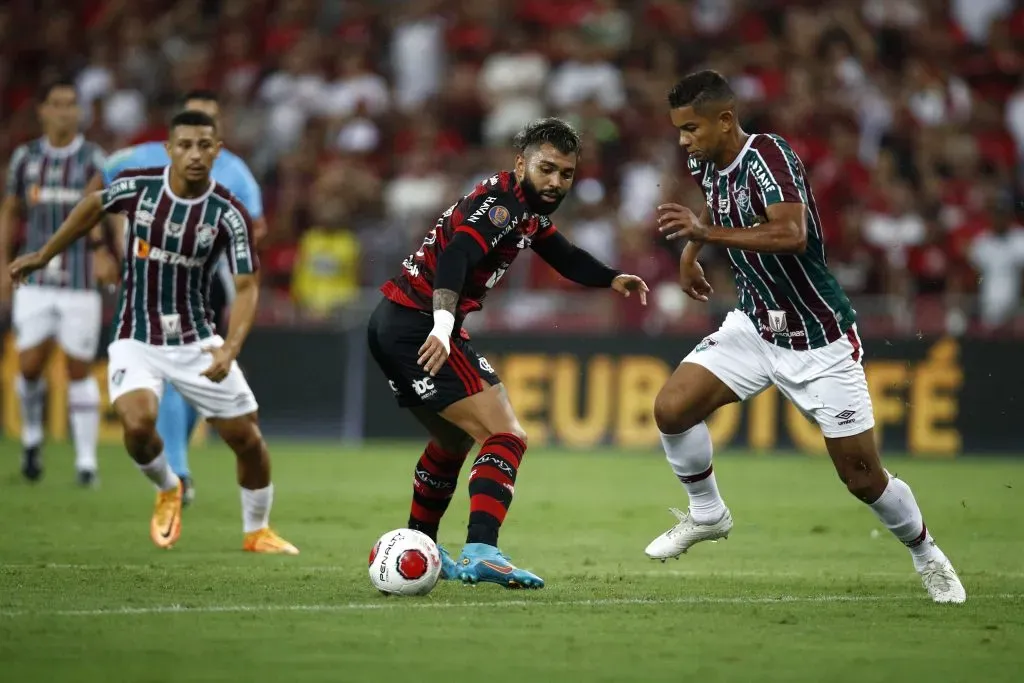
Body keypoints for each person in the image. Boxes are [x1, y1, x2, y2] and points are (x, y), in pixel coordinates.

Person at [646, 70, 965, 603]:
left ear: (726, 120)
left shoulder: (769, 156)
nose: (683, 140)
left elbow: (792, 235)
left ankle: (926, 553)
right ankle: (708, 514)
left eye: (691, 128)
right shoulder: (704, 158)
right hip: (753, 326)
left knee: (863, 478)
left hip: (818, 339)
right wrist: (689, 255)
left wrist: (704, 235)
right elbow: (713, 201)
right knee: (671, 408)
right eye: (679, 129)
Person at [368, 118, 649, 588]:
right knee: (507, 435)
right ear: (521, 163)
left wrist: (611, 277)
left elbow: (564, 256)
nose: (556, 181)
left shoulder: (524, 209)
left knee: (453, 441)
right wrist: (441, 327)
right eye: (546, 169)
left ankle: (421, 544)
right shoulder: (501, 205)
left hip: (394, 321)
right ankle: (482, 549)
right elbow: (456, 256)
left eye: (565, 173)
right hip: (419, 324)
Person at [8, 110, 297, 555]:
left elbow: (246, 287)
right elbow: (92, 204)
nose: (195, 154)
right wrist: (44, 254)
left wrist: (230, 348)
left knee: (248, 439)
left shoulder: (228, 213)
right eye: (185, 145)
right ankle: (168, 487)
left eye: (204, 145)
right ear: (170, 149)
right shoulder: (139, 188)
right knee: (138, 425)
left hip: (198, 342)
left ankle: (257, 530)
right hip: (136, 337)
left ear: (217, 151)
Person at [101, 89, 267, 506]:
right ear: (174, 137)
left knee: (196, 376)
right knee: (169, 376)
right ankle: (177, 470)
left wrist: (222, 242)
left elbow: (256, 225)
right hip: (147, 275)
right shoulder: (140, 158)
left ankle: (179, 470)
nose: (197, 145)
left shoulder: (235, 172)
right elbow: (99, 184)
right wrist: (101, 248)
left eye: (210, 123)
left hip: (204, 279)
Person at [0, 78, 117, 486]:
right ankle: (32, 439)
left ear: (79, 111)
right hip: (33, 279)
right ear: (43, 111)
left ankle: (86, 464)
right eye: (57, 104)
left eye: (71, 104)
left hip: (80, 279)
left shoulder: (95, 160)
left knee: (78, 368)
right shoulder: (25, 158)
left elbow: (110, 211)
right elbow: (11, 209)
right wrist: (3, 263)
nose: (65, 111)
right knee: (29, 365)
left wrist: (108, 254)